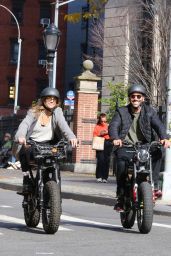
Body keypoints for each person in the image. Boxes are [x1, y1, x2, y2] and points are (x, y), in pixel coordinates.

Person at [108, 84, 171, 211]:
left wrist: (164, 138)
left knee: (158, 152)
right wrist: (115, 138)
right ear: (130, 98)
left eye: (138, 96)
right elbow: (113, 126)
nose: (135, 98)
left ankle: (155, 186)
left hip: (145, 146)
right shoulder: (121, 111)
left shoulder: (149, 112)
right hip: (126, 146)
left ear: (143, 99)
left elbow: (158, 125)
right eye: (133, 96)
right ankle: (121, 197)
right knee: (120, 163)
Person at [13, 87, 77, 193]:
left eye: (54, 98)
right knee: (25, 151)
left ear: (57, 101)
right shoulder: (34, 111)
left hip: (50, 144)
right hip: (32, 142)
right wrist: (21, 136)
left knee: (55, 158)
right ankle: (26, 178)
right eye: (49, 98)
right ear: (43, 100)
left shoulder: (58, 111)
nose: (52, 100)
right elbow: (25, 124)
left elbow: (64, 125)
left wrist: (71, 137)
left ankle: (52, 190)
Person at [93, 113, 112, 183]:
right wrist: (101, 134)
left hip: (108, 143)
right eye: (102, 121)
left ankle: (105, 177)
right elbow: (94, 134)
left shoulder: (108, 126)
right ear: (100, 120)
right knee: (100, 160)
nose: (103, 122)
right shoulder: (97, 126)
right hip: (100, 142)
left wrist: (107, 132)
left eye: (104, 121)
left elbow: (112, 133)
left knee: (106, 160)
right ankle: (99, 176)